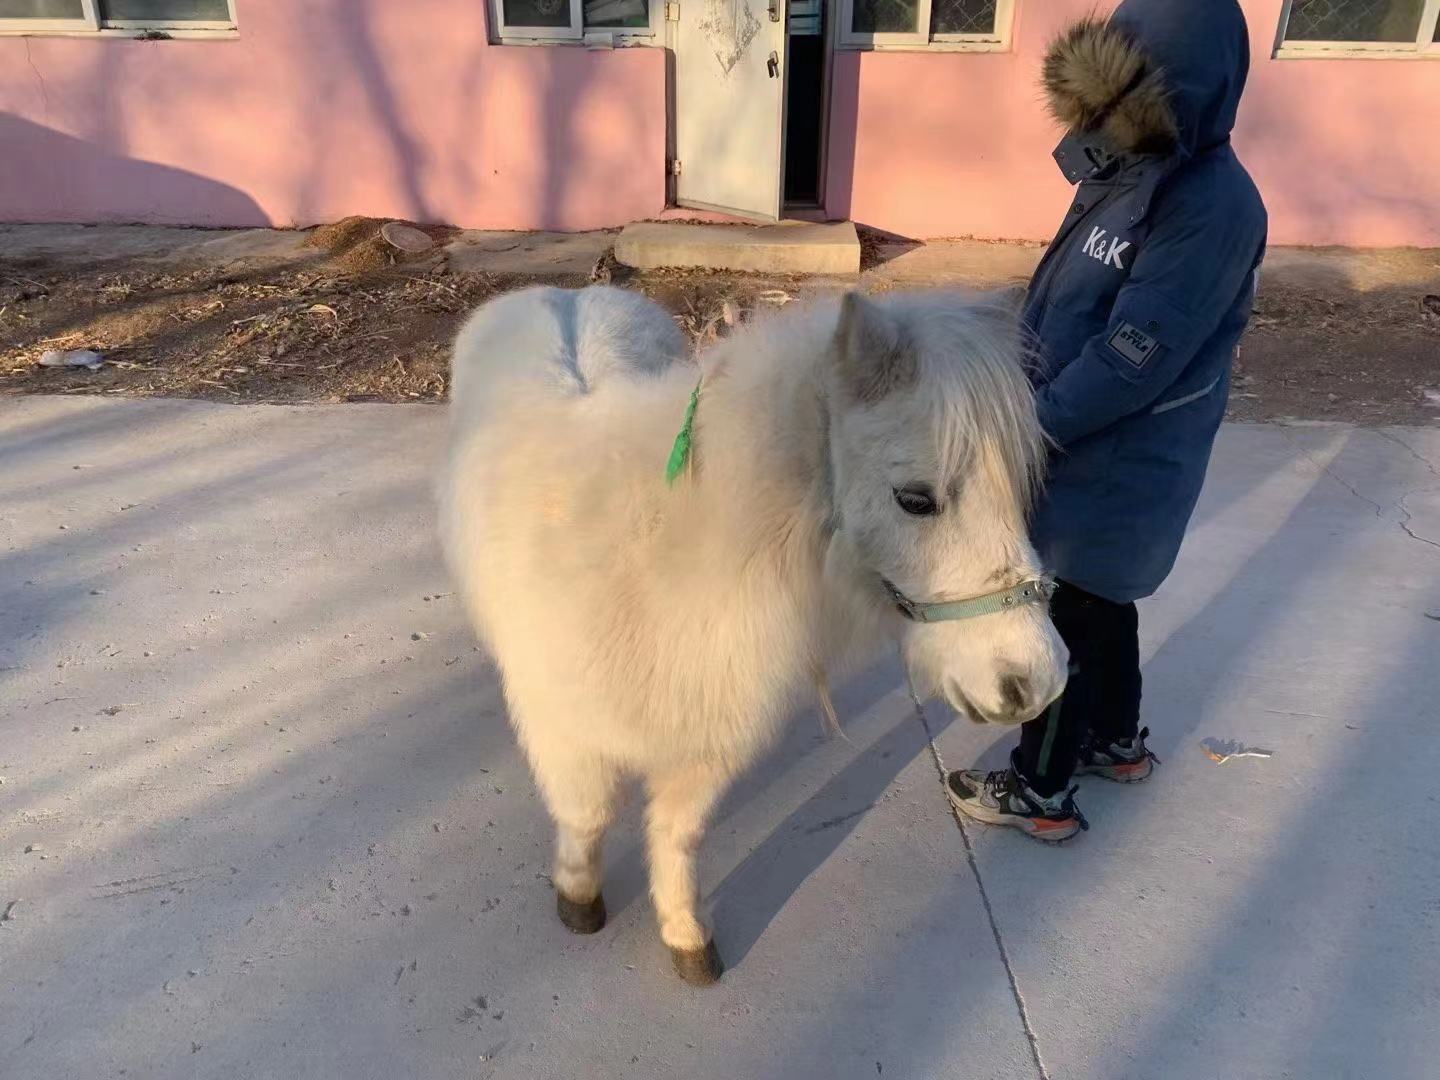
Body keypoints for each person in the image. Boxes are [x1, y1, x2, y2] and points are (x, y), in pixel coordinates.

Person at [947, 0, 1268, 841]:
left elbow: (1133, 355)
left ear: (1178, 92)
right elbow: (1069, 294)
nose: (1104, 123)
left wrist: (1025, 427)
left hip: (1120, 450)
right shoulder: (1129, 168)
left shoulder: (1212, 206)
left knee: (1064, 609)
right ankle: (1116, 740)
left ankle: (1040, 786)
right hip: (1077, 433)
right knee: (1103, 602)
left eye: (1123, 104)